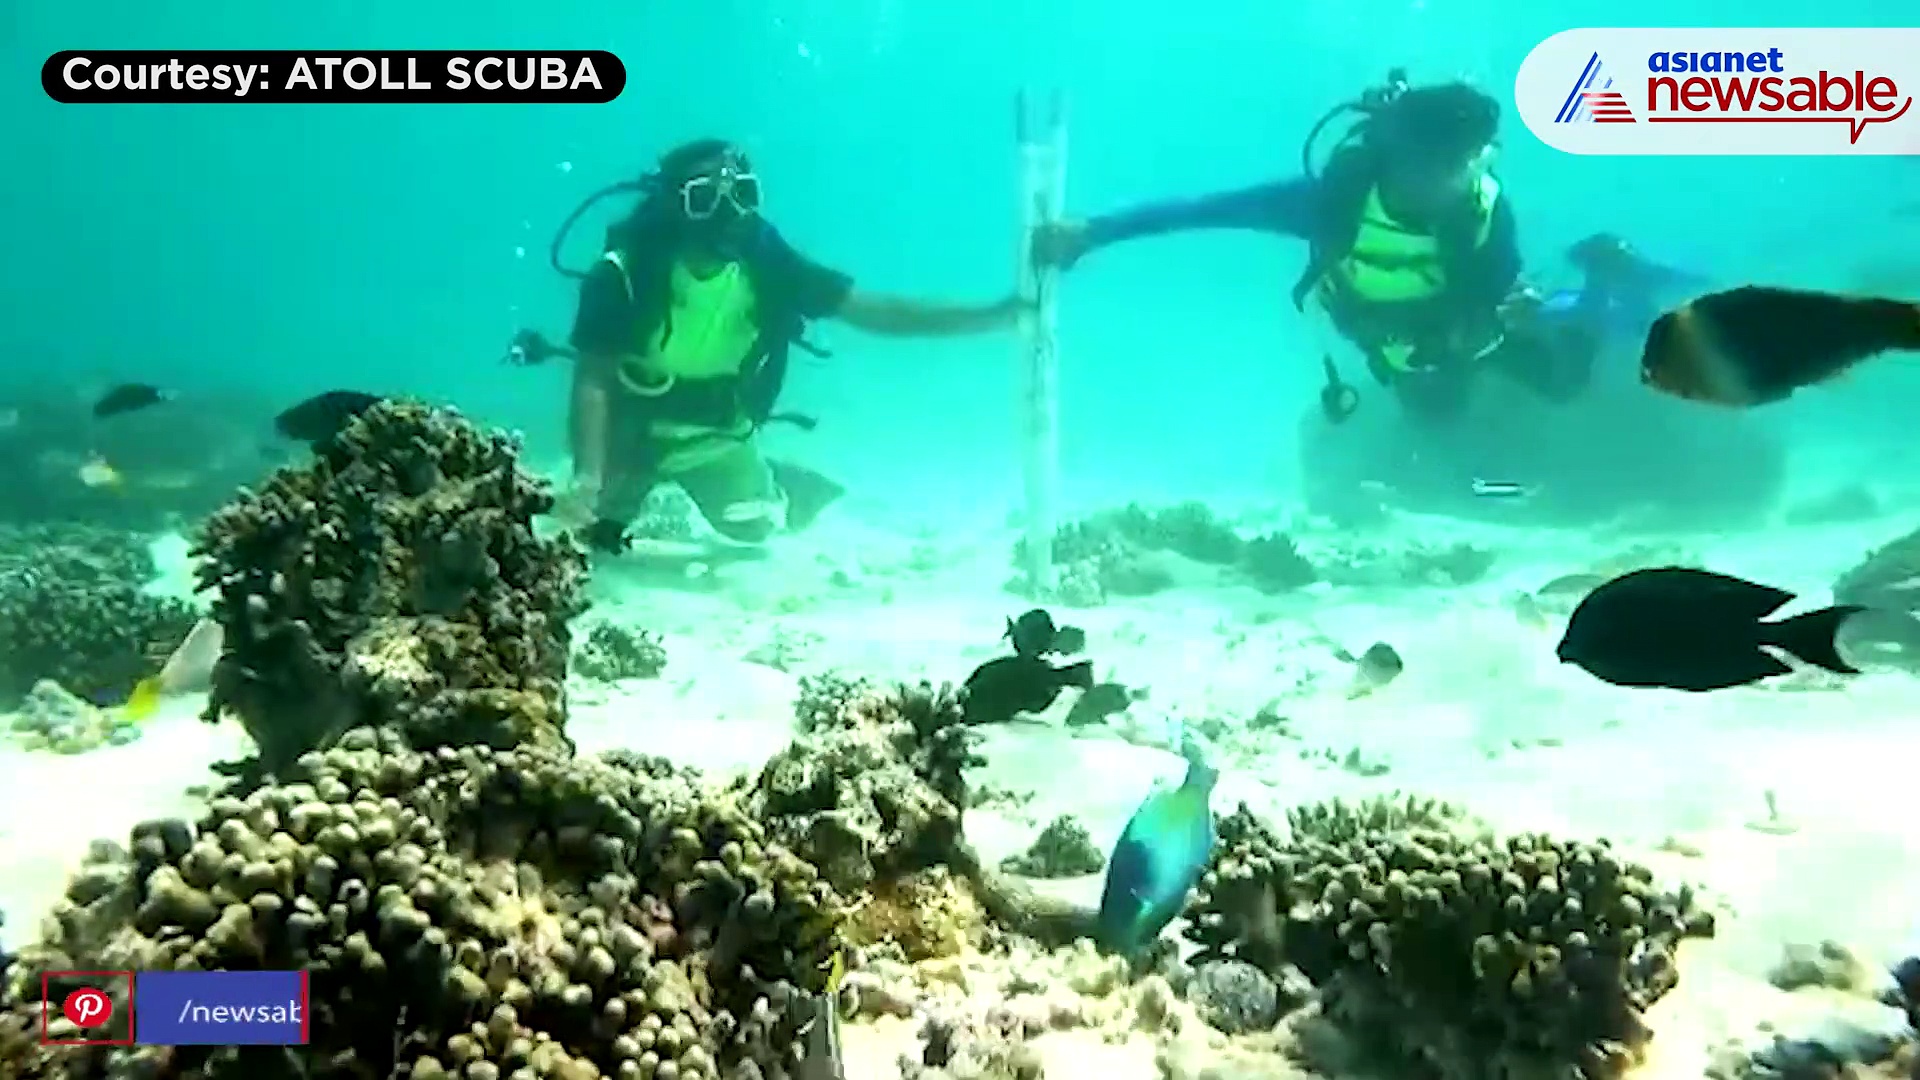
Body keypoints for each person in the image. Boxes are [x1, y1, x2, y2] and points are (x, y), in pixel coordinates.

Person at [1033, 73, 1657, 423]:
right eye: (1428, 164)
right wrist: (1092, 233)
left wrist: (1516, 306)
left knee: (1563, 384)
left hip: (1462, 331)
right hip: (1392, 342)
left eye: (1457, 166)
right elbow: (1207, 211)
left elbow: (1501, 287)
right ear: (1393, 153)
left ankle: (1604, 283)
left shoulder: (1483, 214)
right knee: (1436, 419)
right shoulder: (1333, 201)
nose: (1441, 181)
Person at [558, 138, 1024, 547]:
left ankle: (779, 480)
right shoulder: (623, 271)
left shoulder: (768, 261)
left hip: (717, 431)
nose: (730, 215)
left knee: (753, 529)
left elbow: (872, 311)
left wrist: (992, 316)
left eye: (743, 195)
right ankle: (623, 493)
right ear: (669, 208)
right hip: (630, 429)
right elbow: (594, 378)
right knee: (594, 535)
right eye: (704, 200)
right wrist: (587, 478)